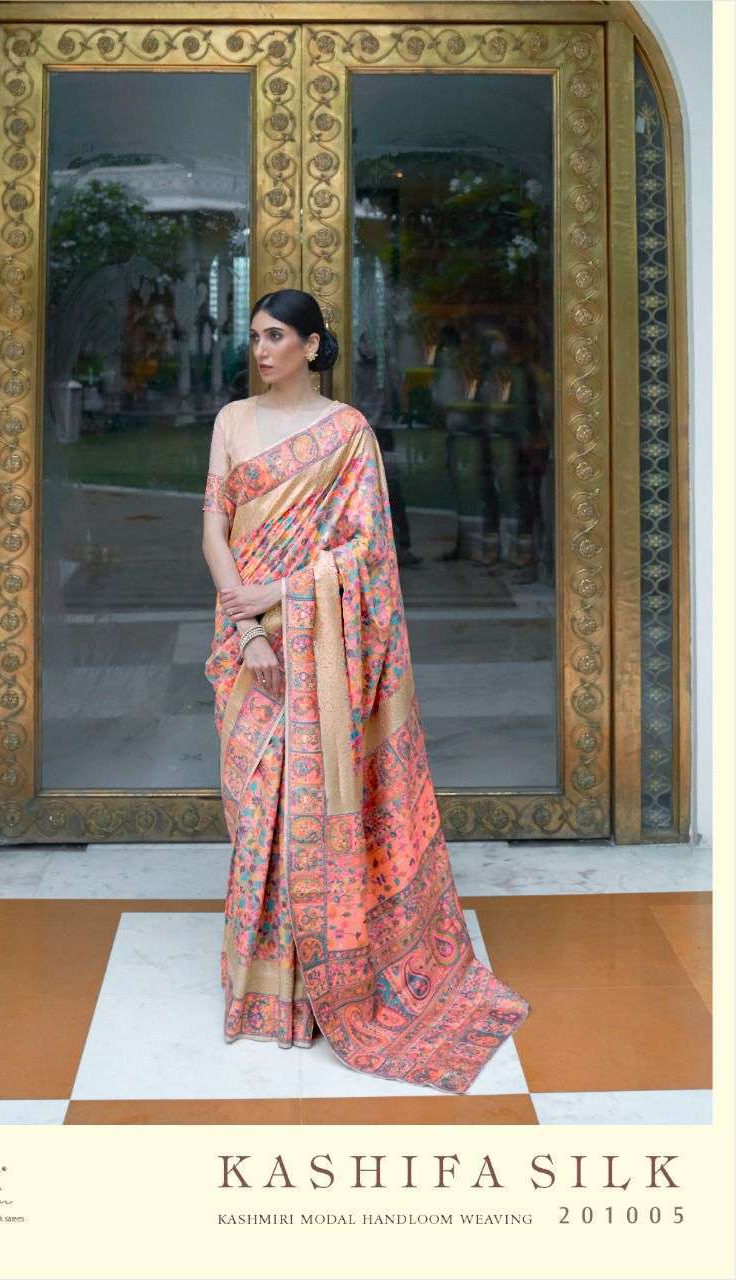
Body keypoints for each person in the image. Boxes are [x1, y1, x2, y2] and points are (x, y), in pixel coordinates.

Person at [200, 288, 530, 1094]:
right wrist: (248, 630)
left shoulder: (347, 434)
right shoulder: (232, 421)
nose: (260, 349)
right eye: (254, 336)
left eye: (275, 336)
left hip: (318, 647)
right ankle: (263, 986)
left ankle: (322, 984)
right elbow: (213, 529)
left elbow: (367, 550)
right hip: (247, 641)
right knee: (255, 806)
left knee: (311, 806)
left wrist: (283, 595)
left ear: (313, 345)